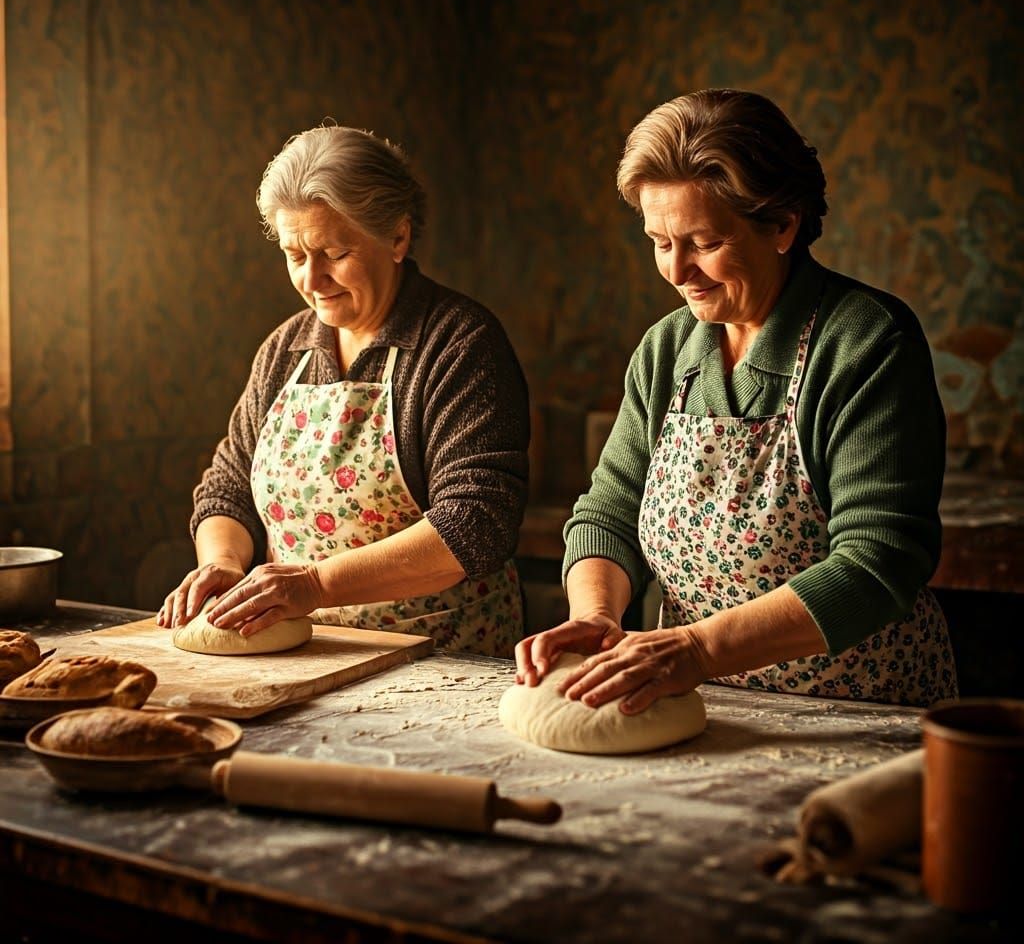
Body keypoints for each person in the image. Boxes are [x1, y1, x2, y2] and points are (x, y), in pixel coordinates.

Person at [516, 88, 956, 709]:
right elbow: (608, 513)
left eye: (704, 242)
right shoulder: (667, 351)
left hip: (857, 707)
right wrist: (596, 615)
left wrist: (696, 649)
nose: (676, 271)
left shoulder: (865, 341)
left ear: (782, 224)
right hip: (701, 703)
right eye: (659, 243)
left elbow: (878, 562)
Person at [158, 124, 528, 657]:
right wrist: (221, 563)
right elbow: (229, 487)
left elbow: (475, 522)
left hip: (438, 659)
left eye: (333, 252)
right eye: (294, 254)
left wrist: (312, 586)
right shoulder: (285, 350)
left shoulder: (459, 343)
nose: (312, 279)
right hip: (299, 655)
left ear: (397, 237)